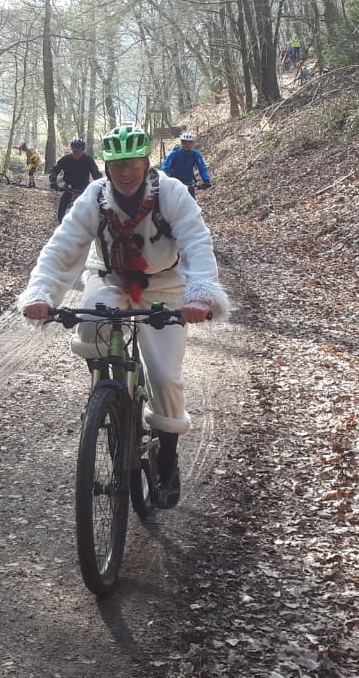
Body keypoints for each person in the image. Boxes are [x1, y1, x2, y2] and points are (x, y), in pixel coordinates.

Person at [18, 124, 229, 508]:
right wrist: (41, 294)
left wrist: (200, 295)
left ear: (146, 163)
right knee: (90, 326)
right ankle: (108, 393)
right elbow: (61, 248)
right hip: (110, 277)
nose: (125, 172)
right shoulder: (94, 197)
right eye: (117, 165)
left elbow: (196, 242)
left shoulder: (171, 193)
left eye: (132, 163)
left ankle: (167, 455)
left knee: (164, 376)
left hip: (165, 286)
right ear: (107, 167)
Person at [48, 138, 101, 223]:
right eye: (74, 151)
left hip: (84, 188)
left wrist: (100, 185)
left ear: (83, 150)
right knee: (61, 209)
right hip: (68, 187)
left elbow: (96, 174)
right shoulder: (66, 159)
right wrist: (53, 181)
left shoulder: (88, 160)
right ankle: (62, 225)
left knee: (93, 208)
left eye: (78, 151)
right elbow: (54, 170)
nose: (76, 153)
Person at [160, 132, 212, 197]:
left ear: (192, 143)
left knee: (191, 201)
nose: (187, 145)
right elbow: (165, 166)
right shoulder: (174, 154)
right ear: (181, 143)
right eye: (184, 142)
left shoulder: (195, 154)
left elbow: (202, 167)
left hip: (188, 182)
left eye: (189, 142)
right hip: (175, 182)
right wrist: (164, 177)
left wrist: (206, 180)